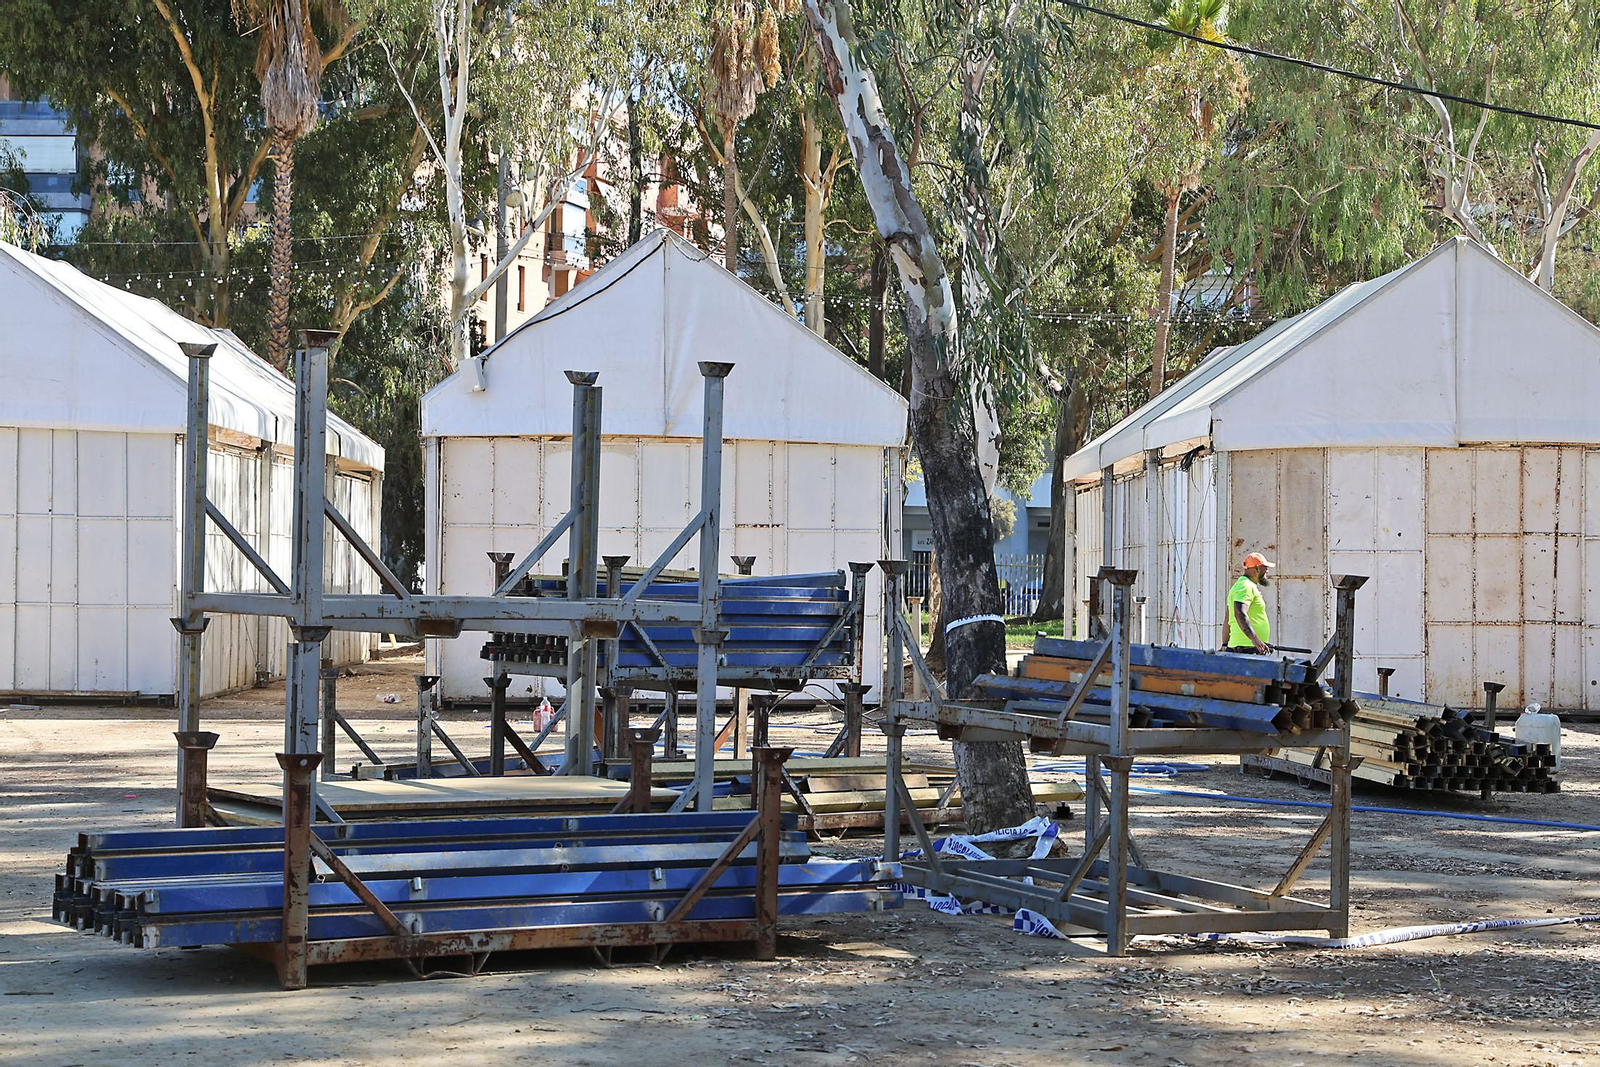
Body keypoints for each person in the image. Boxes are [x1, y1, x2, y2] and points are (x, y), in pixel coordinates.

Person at [1226, 552, 1274, 654]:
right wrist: (1255, 639)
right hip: (1246, 650)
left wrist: (1225, 644)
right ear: (1257, 569)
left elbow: (1228, 618)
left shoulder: (1241, 585)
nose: (1267, 571)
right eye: (1265, 567)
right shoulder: (1245, 586)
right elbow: (1239, 613)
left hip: (1247, 648)